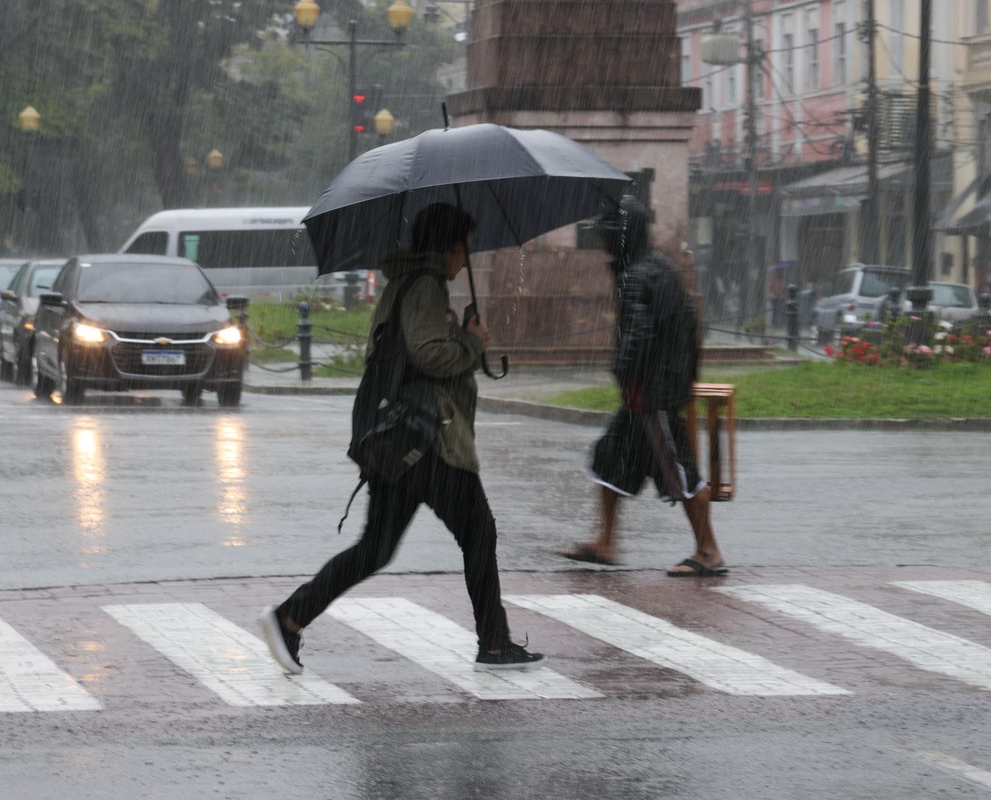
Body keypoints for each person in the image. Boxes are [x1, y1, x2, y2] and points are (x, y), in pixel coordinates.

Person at [260, 203, 544, 674]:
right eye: (464, 249)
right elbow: (430, 356)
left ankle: (290, 618)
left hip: (399, 441)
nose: (464, 260)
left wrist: (461, 335)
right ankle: (494, 644)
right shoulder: (427, 286)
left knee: (376, 548)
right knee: (478, 532)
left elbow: (406, 352)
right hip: (430, 441)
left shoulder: (402, 284)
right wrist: (472, 343)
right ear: (447, 246)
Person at [561, 196, 729, 577]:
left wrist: (624, 371)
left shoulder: (636, 275)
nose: (601, 243)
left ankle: (708, 551)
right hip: (651, 393)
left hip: (653, 396)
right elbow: (690, 327)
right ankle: (605, 542)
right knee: (609, 459)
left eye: (606, 236)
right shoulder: (656, 268)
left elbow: (638, 334)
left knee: (680, 471)